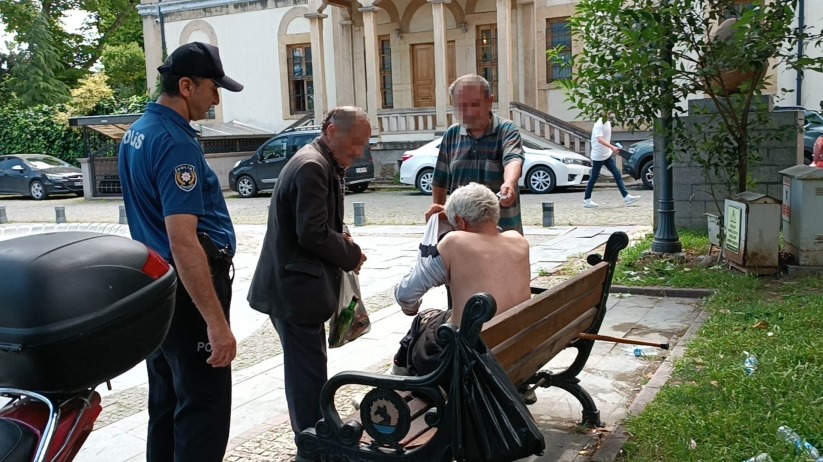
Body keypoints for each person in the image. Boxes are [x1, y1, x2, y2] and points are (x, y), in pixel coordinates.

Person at [118, 41, 243, 462]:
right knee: (202, 409)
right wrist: (216, 323)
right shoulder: (176, 143)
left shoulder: (137, 132)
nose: (216, 98)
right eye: (212, 87)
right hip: (189, 292)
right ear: (186, 85)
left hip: (157, 288)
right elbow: (183, 239)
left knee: (167, 403)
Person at [247, 106, 369, 442]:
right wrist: (352, 255)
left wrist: (341, 236)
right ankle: (313, 440)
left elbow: (318, 224)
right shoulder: (312, 165)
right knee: (306, 372)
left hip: (295, 288)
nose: (359, 152)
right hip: (295, 290)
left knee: (306, 369)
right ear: (332, 132)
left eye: (364, 144)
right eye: (355, 143)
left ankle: (315, 433)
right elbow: (311, 233)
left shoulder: (319, 161)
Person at [394, 182, 532, 376]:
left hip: (469, 355)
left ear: (461, 222)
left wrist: (436, 233)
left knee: (421, 323)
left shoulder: (455, 242)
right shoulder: (518, 240)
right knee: (437, 317)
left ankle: (397, 390)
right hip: (517, 344)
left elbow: (406, 294)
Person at [427, 74, 526, 234]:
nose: (469, 112)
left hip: (501, 233)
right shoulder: (451, 135)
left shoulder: (507, 130)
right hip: (462, 235)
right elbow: (440, 180)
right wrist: (440, 215)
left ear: (490, 101)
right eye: (461, 106)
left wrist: (509, 183)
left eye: (475, 104)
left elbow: (513, 159)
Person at [583, 113, 641, 208]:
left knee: (617, 174)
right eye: (611, 112)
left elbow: (605, 139)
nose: (614, 114)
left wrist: (614, 146)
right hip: (598, 155)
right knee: (593, 177)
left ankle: (626, 197)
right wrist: (612, 147)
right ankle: (587, 200)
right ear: (606, 113)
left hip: (606, 154)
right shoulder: (599, 123)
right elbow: (600, 139)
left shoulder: (608, 123)